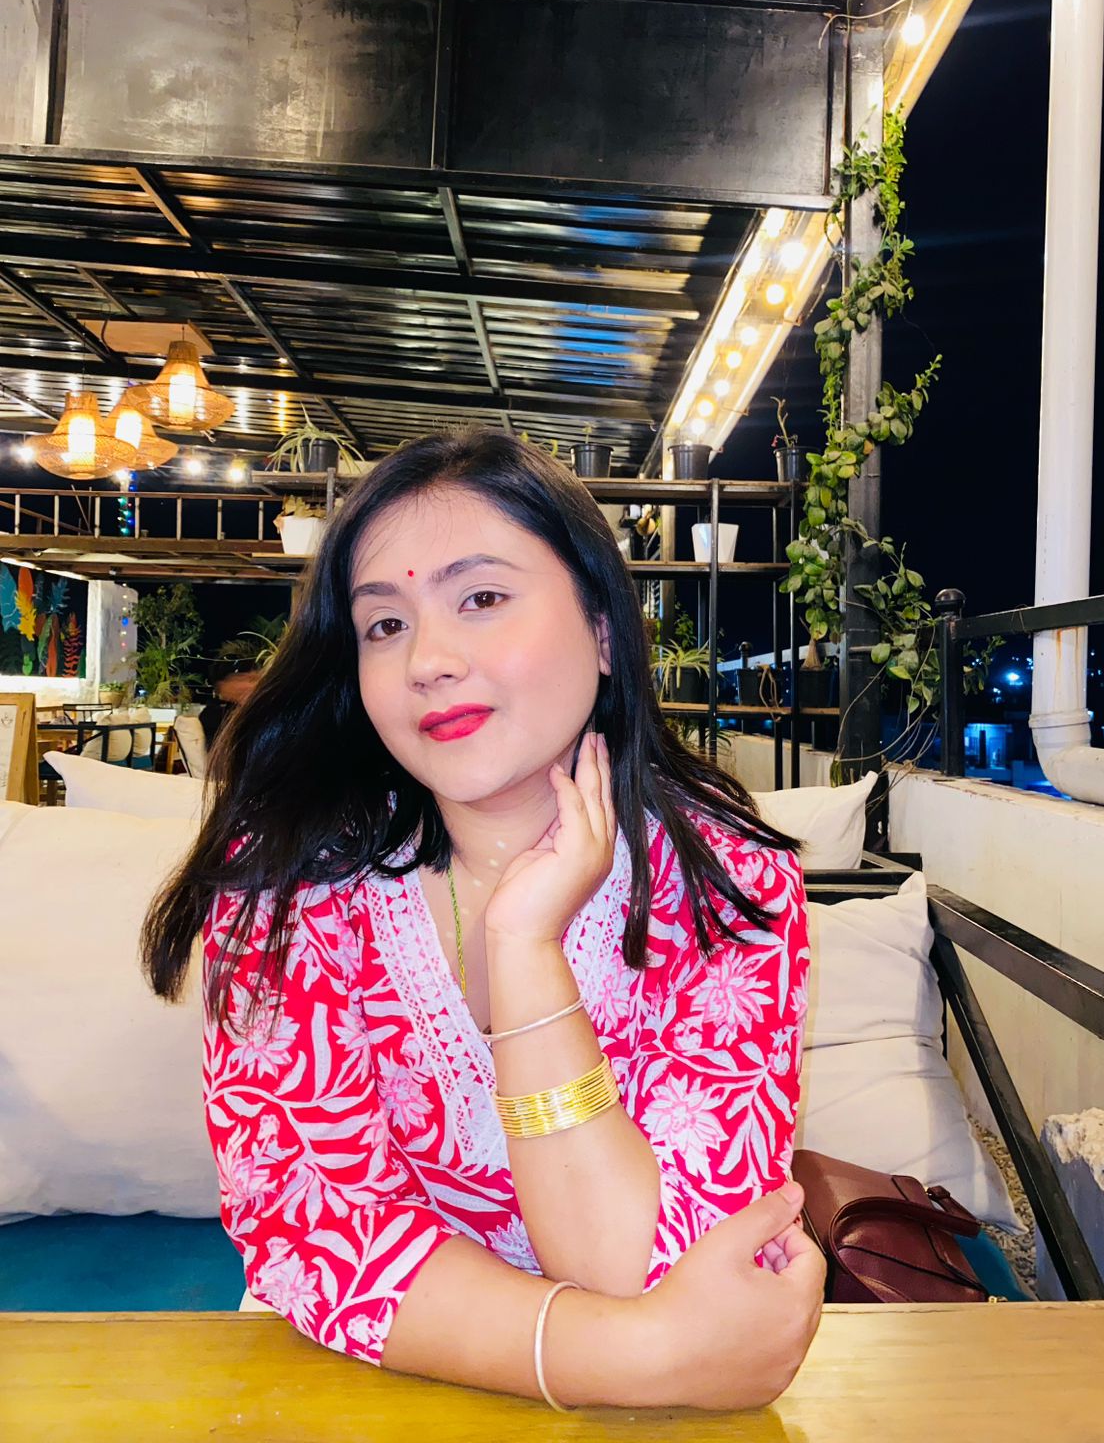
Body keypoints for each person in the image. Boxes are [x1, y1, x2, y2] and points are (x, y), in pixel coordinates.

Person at [141, 430, 823, 1411]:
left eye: (482, 598)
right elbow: (313, 1226)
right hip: (353, 1381)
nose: (428, 660)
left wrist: (525, 949)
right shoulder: (288, 881)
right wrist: (632, 1355)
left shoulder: (727, 883)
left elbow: (662, 1268)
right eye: (384, 624)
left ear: (602, 628)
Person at [197, 659, 262, 750]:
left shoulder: (258, 711)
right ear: (222, 685)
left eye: (255, 679)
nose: (252, 685)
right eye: (244, 679)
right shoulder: (215, 716)